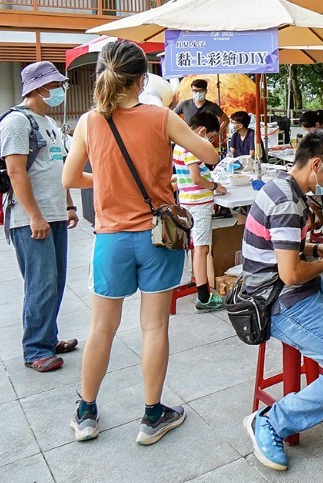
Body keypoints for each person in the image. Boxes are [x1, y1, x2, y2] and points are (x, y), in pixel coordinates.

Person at [63, 40, 220, 445]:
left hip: (110, 239)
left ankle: (85, 413)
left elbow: (69, 178)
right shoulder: (161, 116)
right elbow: (210, 154)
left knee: (102, 327)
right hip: (157, 237)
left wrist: (106, 180)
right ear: (143, 78)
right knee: (154, 327)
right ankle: (152, 416)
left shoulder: (88, 122)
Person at [242, 130, 323, 471]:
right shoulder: (289, 203)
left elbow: (283, 247)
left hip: (289, 287)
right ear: (317, 164)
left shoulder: (280, 186)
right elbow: (290, 274)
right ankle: (272, 421)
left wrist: (317, 249)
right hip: (280, 300)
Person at [0, 62, 80, 373]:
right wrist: (34, 216)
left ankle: (47, 337)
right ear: (38, 88)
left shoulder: (48, 123)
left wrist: (69, 205)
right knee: (41, 284)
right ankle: (35, 350)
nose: (59, 90)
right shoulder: (17, 123)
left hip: (55, 214)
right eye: (54, 84)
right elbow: (15, 171)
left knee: (55, 282)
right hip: (31, 219)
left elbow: (60, 168)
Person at [172, 110, 226, 312]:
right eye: (211, 136)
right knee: (202, 249)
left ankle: (201, 288)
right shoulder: (192, 147)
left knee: (197, 247)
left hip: (187, 201)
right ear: (202, 131)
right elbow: (196, 178)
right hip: (198, 204)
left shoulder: (178, 145)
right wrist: (214, 186)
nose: (211, 141)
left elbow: (183, 176)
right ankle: (204, 296)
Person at [175, 78, 227, 145]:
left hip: (206, 140)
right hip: (188, 139)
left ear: (205, 91)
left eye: (200, 91)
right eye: (195, 91)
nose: (197, 93)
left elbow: (226, 120)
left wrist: (217, 133)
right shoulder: (184, 104)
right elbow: (171, 116)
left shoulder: (212, 106)